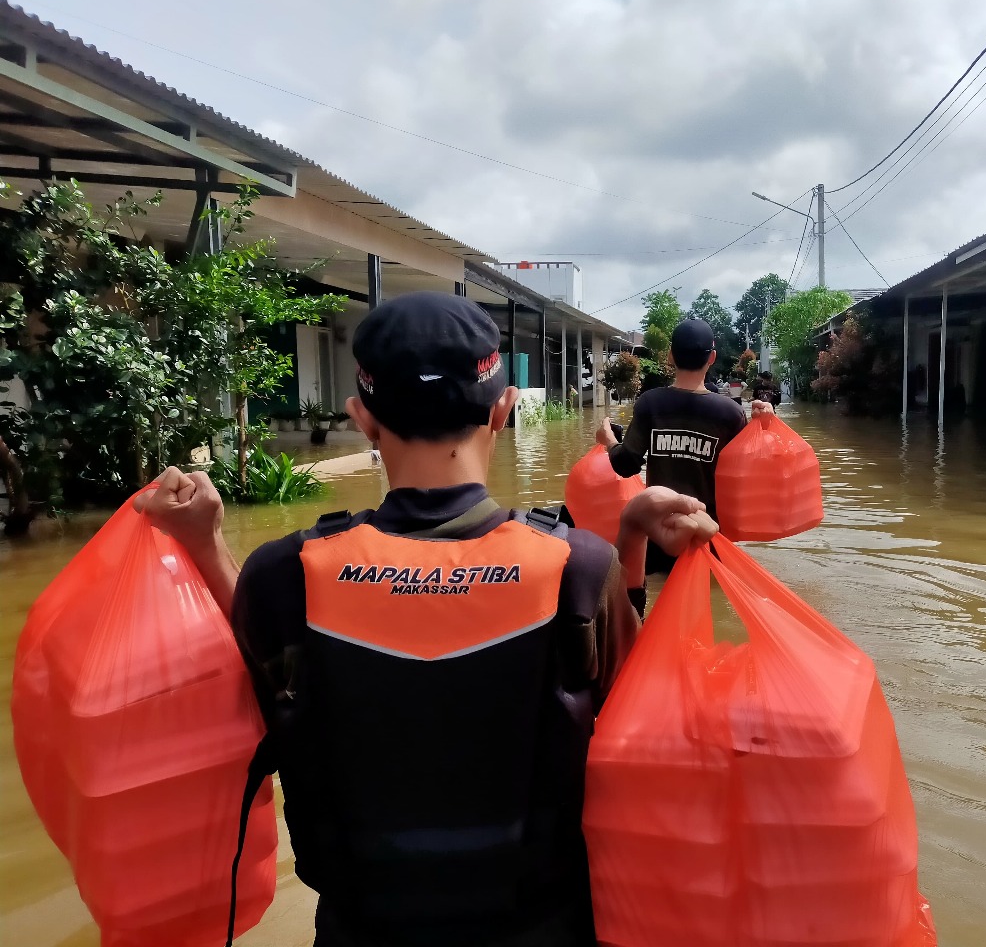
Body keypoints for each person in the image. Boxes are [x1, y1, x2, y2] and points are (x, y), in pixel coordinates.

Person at [134, 291, 718, 947]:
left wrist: (204, 543)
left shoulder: (282, 576)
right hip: (543, 927)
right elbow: (647, 732)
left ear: (362, 418)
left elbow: (253, 686)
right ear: (503, 409)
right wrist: (629, 541)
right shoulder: (577, 568)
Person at [595, 318, 771, 574]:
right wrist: (763, 428)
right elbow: (751, 476)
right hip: (708, 538)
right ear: (712, 358)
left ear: (670, 356)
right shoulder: (730, 413)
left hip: (659, 536)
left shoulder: (651, 404)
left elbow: (625, 465)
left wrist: (608, 439)